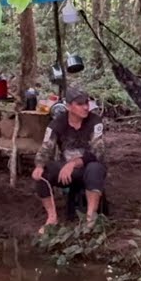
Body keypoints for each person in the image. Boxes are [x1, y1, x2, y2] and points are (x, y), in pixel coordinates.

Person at [33, 88, 108, 232]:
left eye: (86, 103)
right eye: (80, 104)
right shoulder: (57, 123)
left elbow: (99, 153)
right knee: (41, 174)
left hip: (88, 168)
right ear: (68, 107)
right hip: (66, 170)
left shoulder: (95, 121)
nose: (85, 107)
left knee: (95, 168)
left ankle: (90, 218)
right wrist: (39, 165)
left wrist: (73, 163)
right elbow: (46, 147)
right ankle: (52, 218)